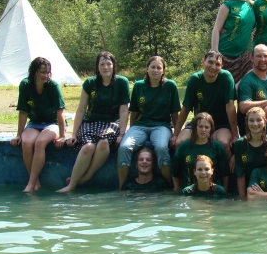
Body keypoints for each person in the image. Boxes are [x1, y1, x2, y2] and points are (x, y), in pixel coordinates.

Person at [59, 52, 129, 193]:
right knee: (88, 147)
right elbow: (80, 110)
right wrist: (74, 134)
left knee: (103, 143)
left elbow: (123, 110)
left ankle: (88, 176)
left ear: (114, 66)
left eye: (108, 64)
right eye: (102, 64)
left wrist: (122, 134)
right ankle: (72, 185)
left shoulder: (122, 82)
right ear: (97, 67)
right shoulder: (90, 83)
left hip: (111, 123)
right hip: (90, 122)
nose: (105, 67)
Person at [117, 56, 180, 189]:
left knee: (161, 147)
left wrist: (176, 134)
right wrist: (131, 130)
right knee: (124, 147)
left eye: (159, 68)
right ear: (147, 69)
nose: (155, 70)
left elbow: (175, 113)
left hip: (161, 126)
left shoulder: (170, 86)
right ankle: (122, 187)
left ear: (163, 71)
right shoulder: (139, 86)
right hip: (140, 125)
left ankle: (170, 186)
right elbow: (134, 112)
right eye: (152, 67)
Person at [10, 57, 66, 192]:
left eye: (48, 72)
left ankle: (30, 184)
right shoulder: (25, 84)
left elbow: (60, 112)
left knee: (40, 142)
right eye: (42, 72)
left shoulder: (53, 86)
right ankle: (36, 183)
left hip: (52, 123)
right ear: (34, 71)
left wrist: (62, 136)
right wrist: (18, 135)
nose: (46, 75)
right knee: (26, 142)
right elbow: (23, 112)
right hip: (34, 122)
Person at [171, 50, 238, 158]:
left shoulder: (226, 77)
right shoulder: (195, 79)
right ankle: (183, 169)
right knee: (180, 142)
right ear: (203, 61)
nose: (213, 67)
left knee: (223, 142)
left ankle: (229, 168)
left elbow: (230, 107)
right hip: (199, 123)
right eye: (210, 62)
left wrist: (235, 135)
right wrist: (175, 135)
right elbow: (186, 108)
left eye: (217, 64)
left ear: (222, 66)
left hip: (221, 124)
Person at [211, 0, 255, 83]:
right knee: (221, 87)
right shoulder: (228, 5)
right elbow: (216, 29)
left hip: (242, 56)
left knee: (252, 73)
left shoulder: (252, 6)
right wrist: (215, 52)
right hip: (224, 54)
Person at [172, 113, 230, 191]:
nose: (203, 130)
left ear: (211, 129)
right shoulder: (184, 147)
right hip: (189, 192)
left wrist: (224, 191)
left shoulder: (217, 147)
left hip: (213, 192)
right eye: (200, 126)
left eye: (207, 127)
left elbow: (225, 173)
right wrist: (177, 189)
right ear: (195, 127)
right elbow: (175, 172)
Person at [234, 107, 267, 197]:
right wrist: (242, 197)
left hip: (266, 189)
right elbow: (240, 173)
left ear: (265, 121)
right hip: (247, 188)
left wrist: (265, 195)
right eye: (251, 120)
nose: (255, 124)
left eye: (258, 120)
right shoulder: (240, 143)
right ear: (247, 122)